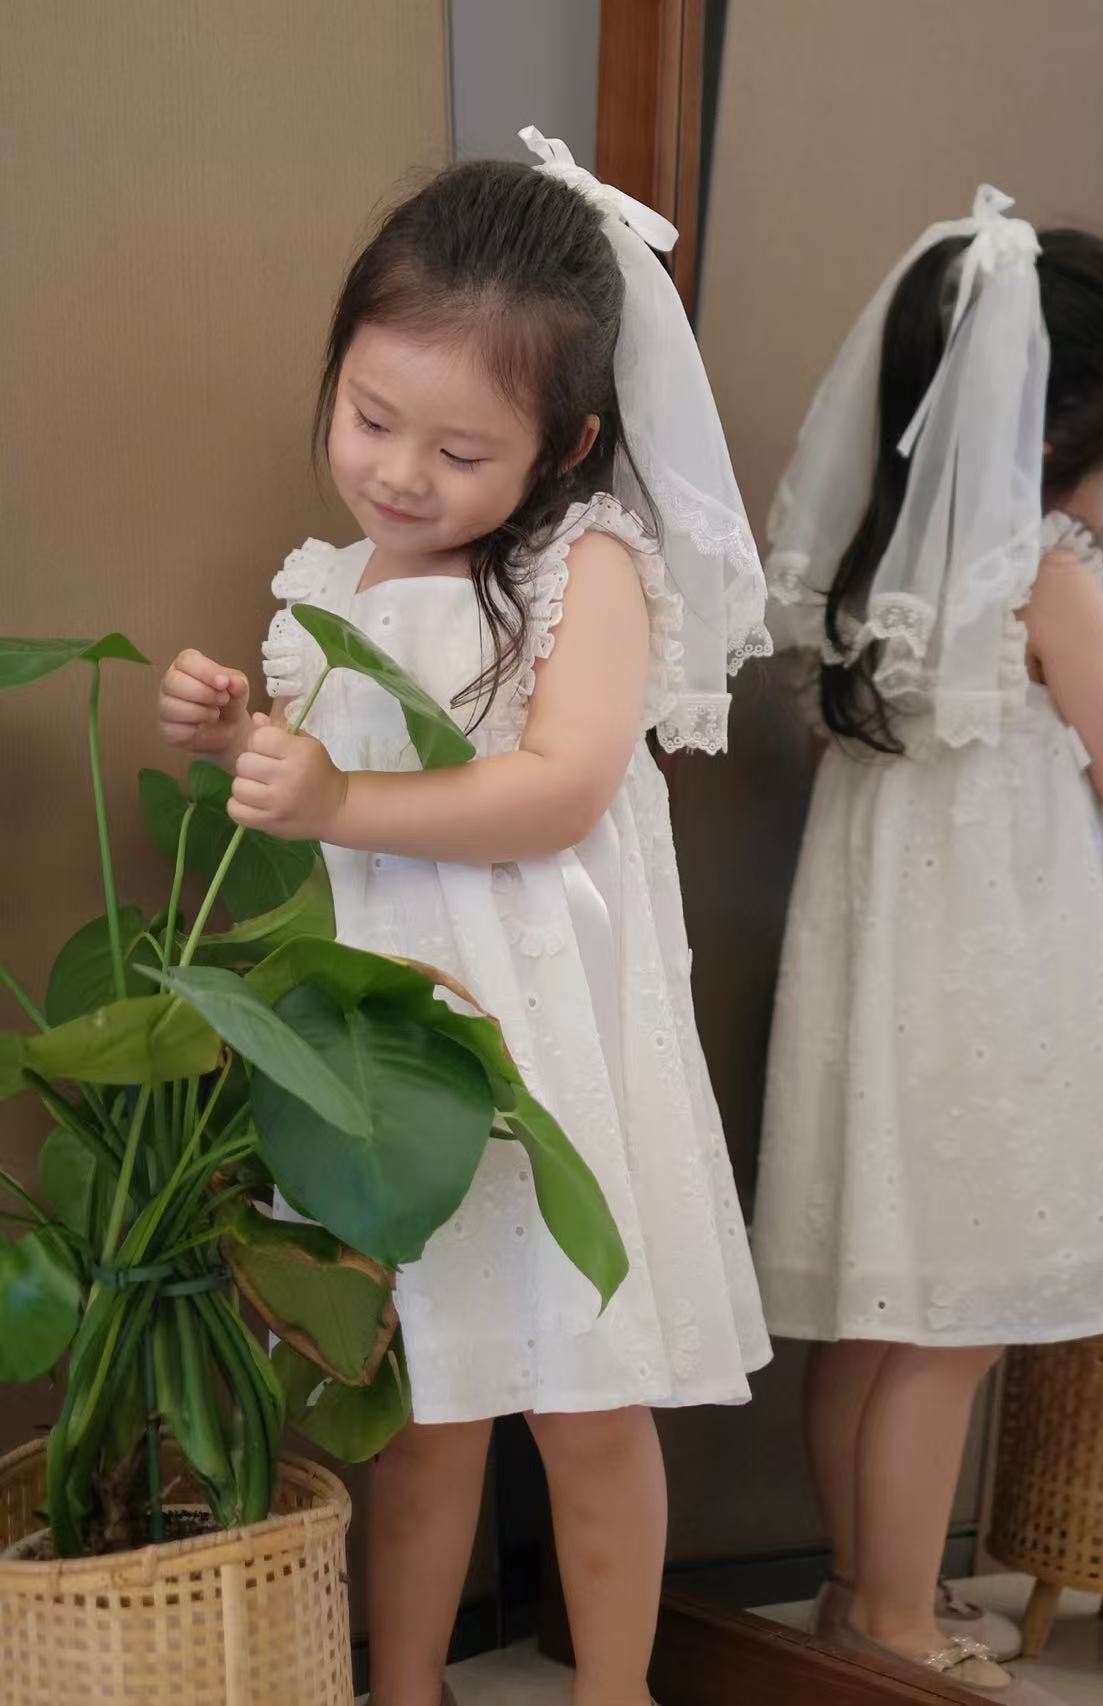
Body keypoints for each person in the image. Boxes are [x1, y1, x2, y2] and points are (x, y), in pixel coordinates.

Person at [157, 128, 773, 1706]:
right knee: (415, 1396)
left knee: (584, 1401)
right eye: (371, 419)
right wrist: (236, 731)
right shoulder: (330, 582)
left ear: (564, 448)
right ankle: (403, 1681)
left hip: (549, 1044)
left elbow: (558, 788)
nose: (398, 474)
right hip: (386, 1054)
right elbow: (314, 782)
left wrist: (336, 801)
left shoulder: (590, 567)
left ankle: (612, 1687)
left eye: (458, 451)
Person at [752, 187, 1103, 1702]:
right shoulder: (1040, 572)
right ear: (1049, 452)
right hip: (999, 985)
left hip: (888, 981)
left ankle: (858, 1582)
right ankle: (903, 1618)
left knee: (879, 1307)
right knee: (957, 1319)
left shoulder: (879, 576)